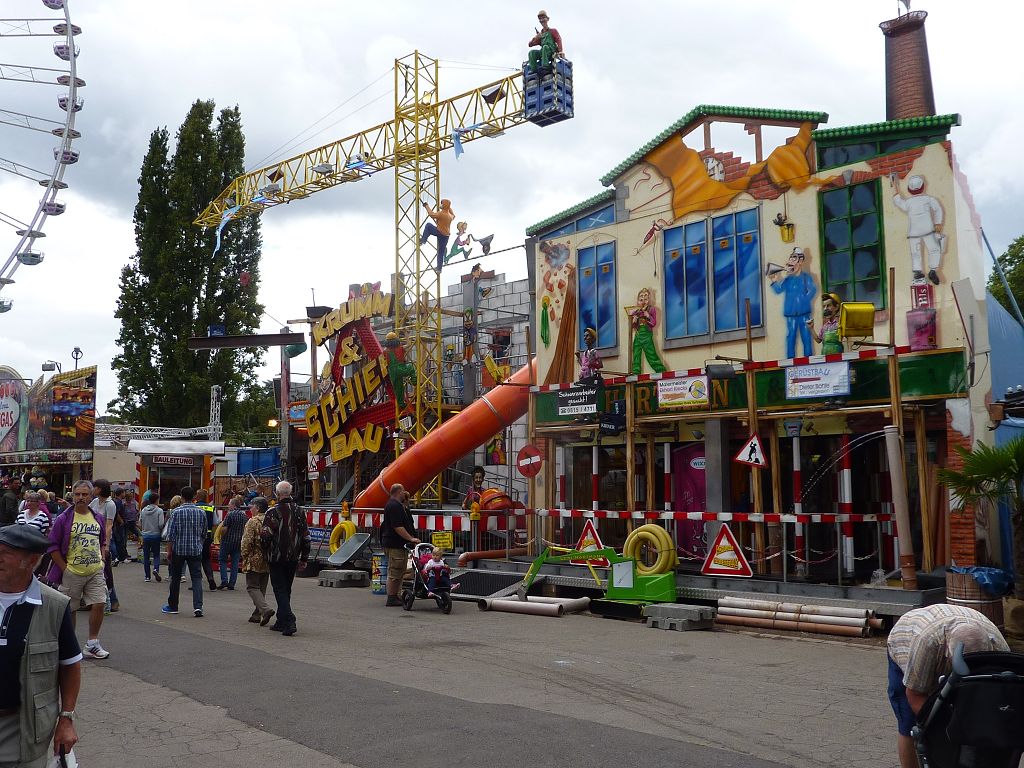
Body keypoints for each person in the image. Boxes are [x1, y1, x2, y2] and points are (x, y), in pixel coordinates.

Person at [886, 604, 1009, 768]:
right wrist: (944, 730)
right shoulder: (928, 643)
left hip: (956, 624)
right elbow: (915, 695)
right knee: (909, 723)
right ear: (948, 652)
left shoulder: (998, 646)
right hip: (905, 637)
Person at [0, 521, 81, 767]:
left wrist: (66, 719)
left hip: (22, 729)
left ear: (32, 560)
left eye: (6, 553)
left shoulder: (54, 606)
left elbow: (70, 666)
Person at [46, 480, 110, 659]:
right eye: (77, 494)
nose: (80, 497)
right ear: (73, 496)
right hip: (72, 571)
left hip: (95, 570)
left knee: (99, 603)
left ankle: (92, 643)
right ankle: (70, 646)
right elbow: (52, 545)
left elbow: (102, 540)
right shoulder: (63, 519)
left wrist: (102, 559)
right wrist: (64, 568)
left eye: (84, 494)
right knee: (70, 609)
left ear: (91, 496)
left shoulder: (98, 517)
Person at [261, 481, 310, 636]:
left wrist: (264, 551)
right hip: (293, 556)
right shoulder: (300, 511)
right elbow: (306, 536)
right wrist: (304, 558)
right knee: (286, 589)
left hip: (276, 556)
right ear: (290, 493)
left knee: (279, 589)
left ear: (277, 494)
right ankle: (281, 621)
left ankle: (289, 620)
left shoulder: (272, 512)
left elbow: (265, 535)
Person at [161, 486, 207, 618]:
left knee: (175, 578)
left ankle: (173, 605)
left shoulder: (176, 512)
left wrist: (169, 551)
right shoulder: (201, 512)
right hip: (195, 549)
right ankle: (198, 607)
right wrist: (200, 544)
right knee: (196, 578)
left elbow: (171, 534)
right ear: (194, 497)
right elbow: (204, 532)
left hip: (179, 549)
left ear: (182, 497)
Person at [892, 174, 944, 286]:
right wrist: (938, 223)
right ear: (923, 186)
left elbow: (898, 202)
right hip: (928, 230)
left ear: (909, 190)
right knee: (934, 249)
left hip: (913, 232)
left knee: (915, 253)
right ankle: (933, 270)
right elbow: (938, 209)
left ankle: (918, 272)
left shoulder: (908, 203)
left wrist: (895, 187)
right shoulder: (928, 199)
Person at [769, 246, 817, 358]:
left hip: (804, 314)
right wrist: (774, 281)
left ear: (800, 261)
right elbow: (778, 290)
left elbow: (812, 290)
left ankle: (808, 358)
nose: (791, 261)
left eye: (794, 258)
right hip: (791, 314)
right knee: (791, 336)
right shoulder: (788, 280)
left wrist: (803, 300)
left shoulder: (806, 277)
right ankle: (790, 359)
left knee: (806, 336)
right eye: (790, 258)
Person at [381, 483, 419, 607]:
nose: (404, 493)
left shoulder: (395, 505)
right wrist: (411, 538)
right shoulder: (394, 506)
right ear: (398, 492)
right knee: (395, 571)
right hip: (395, 544)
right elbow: (398, 526)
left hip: (396, 544)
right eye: (403, 491)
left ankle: (395, 595)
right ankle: (392, 597)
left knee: (399, 570)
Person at [240, 496, 274, 626]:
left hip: (254, 557)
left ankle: (265, 610)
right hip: (268, 557)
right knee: (262, 587)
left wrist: (244, 555)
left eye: (252, 506)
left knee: (252, 586)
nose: (250, 509)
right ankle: (256, 614)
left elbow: (247, 541)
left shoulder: (252, 521)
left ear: (257, 508)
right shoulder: (271, 520)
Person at [90, 479, 120, 613]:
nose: (93, 489)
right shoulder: (95, 502)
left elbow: (109, 525)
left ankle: (113, 600)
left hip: (103, 540)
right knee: (93, 571)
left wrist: (106, 545)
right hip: (92, 539)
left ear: (100, 489)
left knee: (106, 571)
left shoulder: (110, 504)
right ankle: (92, 600)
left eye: (95, 487)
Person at [628, 287, 667, 374]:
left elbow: (653, 323)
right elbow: (633, 326)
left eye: (645, 299)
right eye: (641, 299)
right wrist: (634, 320)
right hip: (638, 334)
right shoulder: (637, 311)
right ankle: (636, 371)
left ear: (649, 299)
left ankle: (661, 370)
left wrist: (648, 316)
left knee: (651, 353)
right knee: (636, 353)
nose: (643, 301)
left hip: (646, 335)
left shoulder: (651, 309)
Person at [217, 495, 247, 590]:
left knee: (222, 560)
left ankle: (224, 581)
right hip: (238, 542)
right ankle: (232, 584)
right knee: (235, 563)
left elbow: (225, 528)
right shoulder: (244, 515)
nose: (228, 506)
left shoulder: (229, 514)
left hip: (227, 541)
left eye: (229, 504)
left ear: (233, 505)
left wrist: (221, 534)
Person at [194, 488, 219, 592]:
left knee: (195, 559)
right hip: (207, 537)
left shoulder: (194, 507)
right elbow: (216, 522)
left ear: (197, 497)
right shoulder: (211, 508)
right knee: (206, 558)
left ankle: (197, 582)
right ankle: (210, 578)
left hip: (195, 536)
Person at [138, 490, 165, 583]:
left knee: (146, 556)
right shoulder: (159, 511)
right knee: (156, 554)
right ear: (157, 500)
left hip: (146, 535)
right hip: (156, 535)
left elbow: (140, 523)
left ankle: (147, 576)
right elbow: (161, 524)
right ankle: (156, 569)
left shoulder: (143, 510)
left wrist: (144, 530)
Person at [421, 199, 455, 271]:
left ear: (444, 205)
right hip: (446, 236)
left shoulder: (441, 213)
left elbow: (431, 214)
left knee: (428, 226)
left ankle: (423, 240)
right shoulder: (450, 216)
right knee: (441, 252)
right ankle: (439, 268)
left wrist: (426, 206)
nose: (441, 205)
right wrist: (448, 207)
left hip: (439, 232)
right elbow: (453, 215)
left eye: (442, 204)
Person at [110, 487, 129, 564]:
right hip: (118, 524)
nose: (125, 494)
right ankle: (121, 557)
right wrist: (121, 521)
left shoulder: (116, 501)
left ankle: (119, 556)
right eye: (124, 492)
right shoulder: (118, 502)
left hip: (116, 524)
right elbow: (116, 513)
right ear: (121, 493)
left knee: (118, 540)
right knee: (120, 540)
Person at [122, 488, 141, 553]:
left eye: (131, 497)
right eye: (129, 497)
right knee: (125, 539)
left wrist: (137, 517)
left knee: (140, 534)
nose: (130, 498)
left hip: (133, 522)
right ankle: (124, 552)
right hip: (127, 523)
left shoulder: (134, 504)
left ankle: (141, 546)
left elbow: (136, 512)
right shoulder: (124, 505)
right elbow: (122, 514)